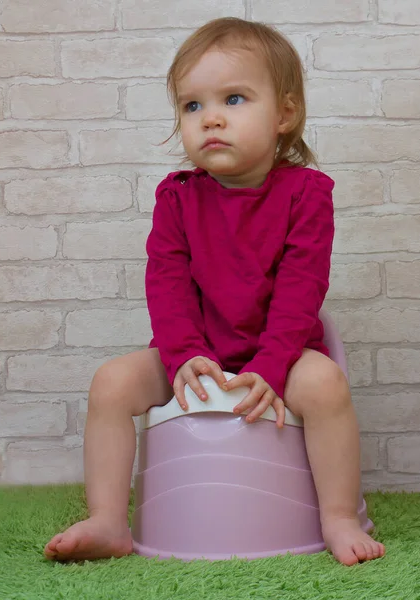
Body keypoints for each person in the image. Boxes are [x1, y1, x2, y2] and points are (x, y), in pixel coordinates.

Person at [44, 17, 385, 566]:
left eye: (234, 98)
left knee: (324, 386)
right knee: (111, 384)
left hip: (280, 349)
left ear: (286, 114)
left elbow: (303, 288)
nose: (212, 119)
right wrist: (184, 355)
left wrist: (275, 363)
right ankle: (109, 519)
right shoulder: (178, 198)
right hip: (197, 351)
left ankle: (339, 515)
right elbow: (168, 284)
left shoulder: (305, 194)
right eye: (191, 106)